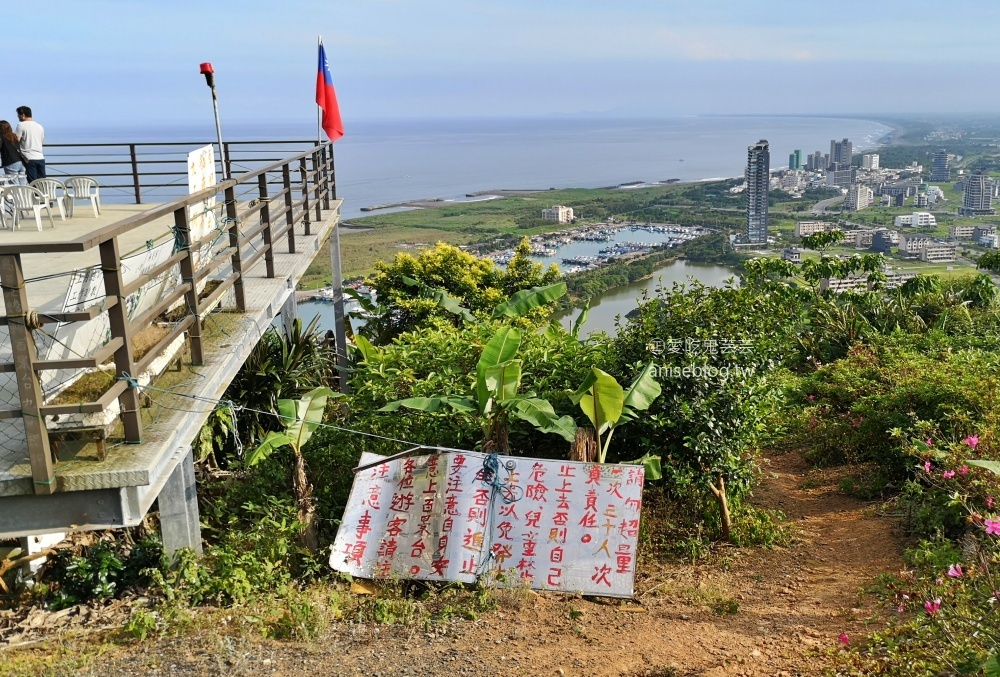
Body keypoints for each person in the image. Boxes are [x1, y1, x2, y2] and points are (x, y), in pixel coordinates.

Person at [15, 106, 45, 182]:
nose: (18, 117)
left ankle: (34, 194)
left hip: (28, 158)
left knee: (32, 182)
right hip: (40, 157)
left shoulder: (21, 125)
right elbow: (41, 142)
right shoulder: (40, 126)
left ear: (23, 115)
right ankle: (42, 194)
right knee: (41, 182)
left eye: (18, 115)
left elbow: (16, 140)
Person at [0, 120, 26, 184]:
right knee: (23, 184)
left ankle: (17, 194)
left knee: (14, 185)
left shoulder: (1, 137)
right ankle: (24, 194)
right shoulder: (13, 136)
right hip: (21, 162)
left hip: (11, 162)